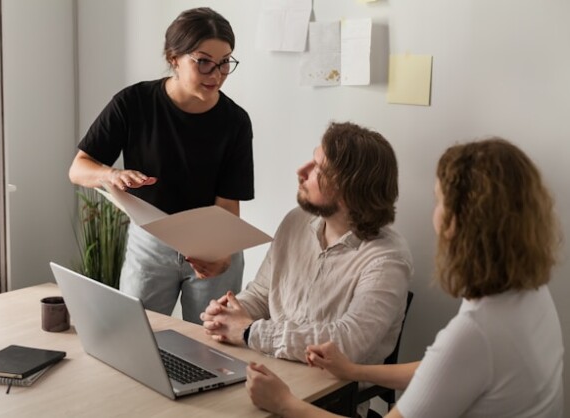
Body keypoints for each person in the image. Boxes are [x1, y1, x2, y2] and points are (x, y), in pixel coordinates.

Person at [246, 138, 564, 418]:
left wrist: (285, 403)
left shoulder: (475, 332)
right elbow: (439, 370)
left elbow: (456, 358)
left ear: (459, 223)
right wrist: (354, 370)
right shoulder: (530, 293)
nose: (434, 213)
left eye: (439, 201)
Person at [68, 8, 254, 324]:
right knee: (134, 335)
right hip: (150, 246)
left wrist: (221, 257)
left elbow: (227, 205)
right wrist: (111, 174)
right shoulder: (133, 102)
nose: (216, 73)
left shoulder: (235, 121)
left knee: (213, 346)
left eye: (225, 62)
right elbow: (79, 169)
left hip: (211, 244)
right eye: (204, 61)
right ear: (173, 58)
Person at [201, 122, 413, 369]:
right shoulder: (296, 221)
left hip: (333, 389)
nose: (301, 171)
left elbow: (348, 344)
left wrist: (250, 332)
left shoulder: (387, 258)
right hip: (273, 364)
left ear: (349, 189)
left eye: (319, 170)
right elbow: (262, 294)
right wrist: (227, 314)